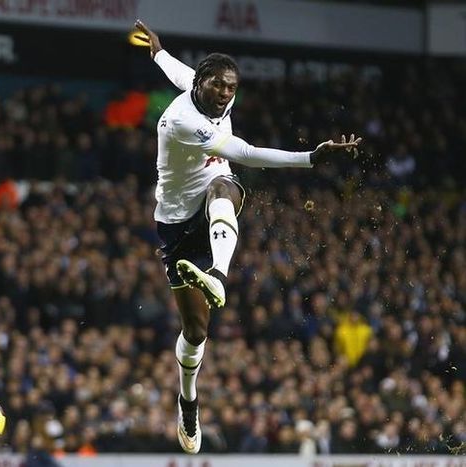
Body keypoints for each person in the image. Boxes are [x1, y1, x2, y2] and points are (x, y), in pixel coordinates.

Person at [134, 20, 362, 454]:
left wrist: (158, 51)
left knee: (226, 186)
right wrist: (310, 157)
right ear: (202, 86)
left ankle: (218, 272)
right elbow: (246, 153)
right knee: (196, 333)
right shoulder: (182, 121)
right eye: (218, 86)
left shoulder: (203, 88)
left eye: (231, 87)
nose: (226, 94)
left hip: (212, 189)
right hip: (176, 220)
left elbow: (176, 69)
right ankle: (188, 400)